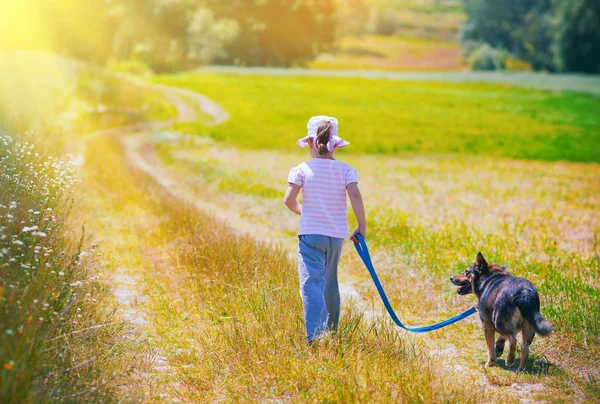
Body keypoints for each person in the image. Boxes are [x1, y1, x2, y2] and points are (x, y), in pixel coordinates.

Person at [284, 115, 367, 344]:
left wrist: (304, 211)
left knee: (312, 283)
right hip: (336, 236)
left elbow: (289, 201)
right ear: (336, 144)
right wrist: (362, 226)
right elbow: (356, 196)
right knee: (330, 282)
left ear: (310, 142)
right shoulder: (346, 170)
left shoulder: (301, 169)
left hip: (311, 236)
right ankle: (332, 330)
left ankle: (316, 337)